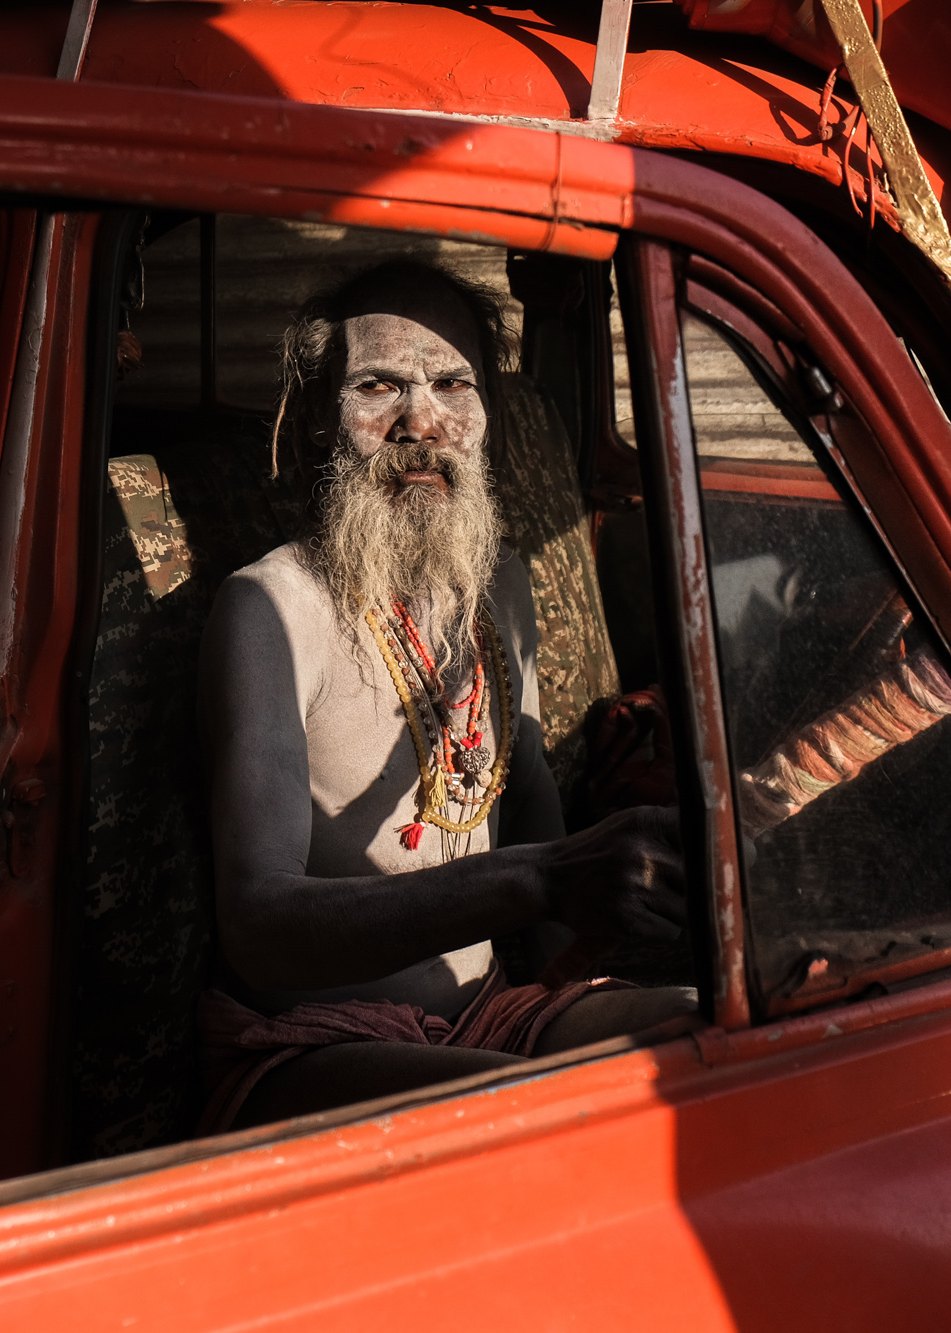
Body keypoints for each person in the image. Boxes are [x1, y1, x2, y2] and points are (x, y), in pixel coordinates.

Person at [197, 258, 697, 1132]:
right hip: (314, 1043)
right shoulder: (272, 609)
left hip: (497, 1013)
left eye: (452, 385)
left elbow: (527, 792)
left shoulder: (499, 584)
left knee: (719, 1032)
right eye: (378, 386)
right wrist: (542, 879)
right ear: (319, 418)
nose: (421, 421)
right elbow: (260, 923)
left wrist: (581, 971)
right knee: (533, 1123)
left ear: (486, 416)